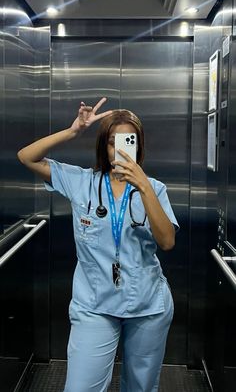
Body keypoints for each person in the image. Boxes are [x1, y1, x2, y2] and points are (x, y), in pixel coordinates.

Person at [17, 97, 179, 392]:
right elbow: (26, 157)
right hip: (94, 305)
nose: (120, 149)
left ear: (139, 146)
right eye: (112, 142)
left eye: (128, 141)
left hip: (147, 305)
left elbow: (167, 241)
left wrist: (142, 186)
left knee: (141, 388)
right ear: (103, 147)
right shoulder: (82, 182)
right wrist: (72, 131)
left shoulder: (154, 188)